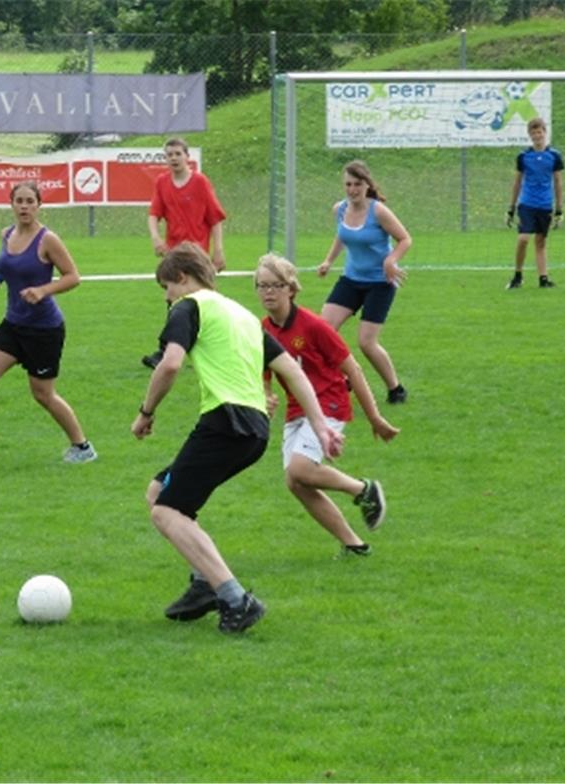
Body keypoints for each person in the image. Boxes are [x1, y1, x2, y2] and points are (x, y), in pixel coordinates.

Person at [131, 242, 344, 635]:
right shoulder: (244, 315)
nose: (166, 297)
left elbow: (171, 363)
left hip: (224, 421)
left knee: (165, 509)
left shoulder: (189, 306)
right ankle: (202, 585)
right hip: (254, 430)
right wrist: (321, 426)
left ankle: (234, 598)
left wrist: (146, 412)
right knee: (158, 490)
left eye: (167, 287)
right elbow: (293, 373)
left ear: (182, 278)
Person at [256, 253, 400, 558]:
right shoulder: (263, 329)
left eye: (275, 285)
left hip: (329, 404)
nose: (268, 292)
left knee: (300, 468)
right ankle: (354, 544)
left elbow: (353, 370)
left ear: (291, 289)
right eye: (262, 286)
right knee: (295, 482)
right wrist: (266, 395)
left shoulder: (314, 326)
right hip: (298, 411)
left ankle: (363, 489)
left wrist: (374, 417)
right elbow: (264, 374)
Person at [0, 181, 96, 464]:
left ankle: (82, 447)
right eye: (19, 201)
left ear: (39, 205)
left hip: (44, 329)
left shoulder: (48, 239)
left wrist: (43, 290)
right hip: (13, 324)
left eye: (30, 201)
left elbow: (73, 277)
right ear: (11, 204)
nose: (24, 206)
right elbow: (8, 265)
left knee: (43, 394)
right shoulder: (7, 234)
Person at [317, 160, 412, 405]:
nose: (352, 189)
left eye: (357, 184)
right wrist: (328, 261)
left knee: (366, 342)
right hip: (351, 279)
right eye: (348, 184)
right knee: (322, 330)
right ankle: (343, 380)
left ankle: (396, 388)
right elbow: (342, 236)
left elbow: (404, 239)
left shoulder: (378, 211)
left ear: (367, 184)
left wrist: (391, 260)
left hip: (380, 283)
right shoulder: (339, 209)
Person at [141, 136, 228, 370]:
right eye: (169, 155)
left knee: (204, 302)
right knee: (173, 300)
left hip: (197, 255)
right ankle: (166, 350)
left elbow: (215, 218)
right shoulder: (162, 183)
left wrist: (218, 250)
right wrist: (156, 237)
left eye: (178, 154)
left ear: (187, 157)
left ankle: (214, 344)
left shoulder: (200, 183)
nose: (174, 158)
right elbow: (153, 214)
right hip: (175, 255)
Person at [506, 116, 564, 289]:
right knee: (523, 239)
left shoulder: (554, 156)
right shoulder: (523, 156)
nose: (537, 136)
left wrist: (559, 209)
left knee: (540, 242)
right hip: (527, 204)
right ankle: (518, 275)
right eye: (534, 133)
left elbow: (558, 182)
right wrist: (511, 207)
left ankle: (543, 279)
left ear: (545, 133)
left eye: (540, 132)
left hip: (545, 204)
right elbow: (517, 182)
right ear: (530, 136)